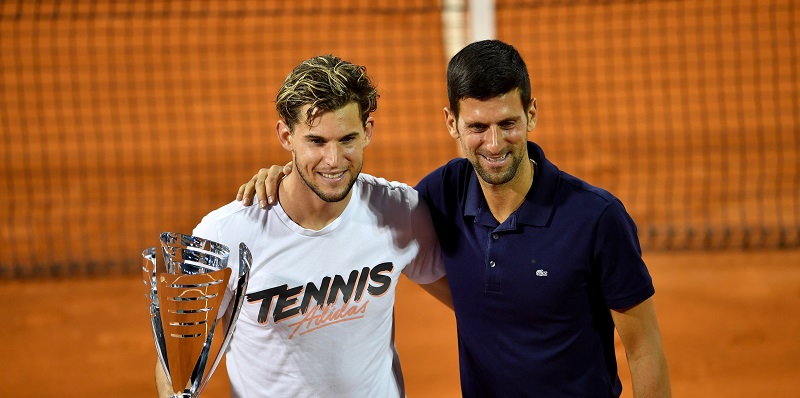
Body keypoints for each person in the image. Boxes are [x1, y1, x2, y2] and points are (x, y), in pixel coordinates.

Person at [238, 40, 671, 397]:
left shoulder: (596, 218)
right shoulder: (439, 196)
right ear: (452, 123)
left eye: (508, 123)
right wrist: (286, 174)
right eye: (478, 126)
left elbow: (643, 345)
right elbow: (345, 194)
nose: (495, 143)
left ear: (532, 115)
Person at [157, 54, 451, 398]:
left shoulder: (400, 212)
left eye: (347, 139)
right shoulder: (224, 234)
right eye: (316, 141)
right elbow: (175, 362)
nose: (333, 160)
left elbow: (473, 303)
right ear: (286, 136)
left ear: (368, 132)